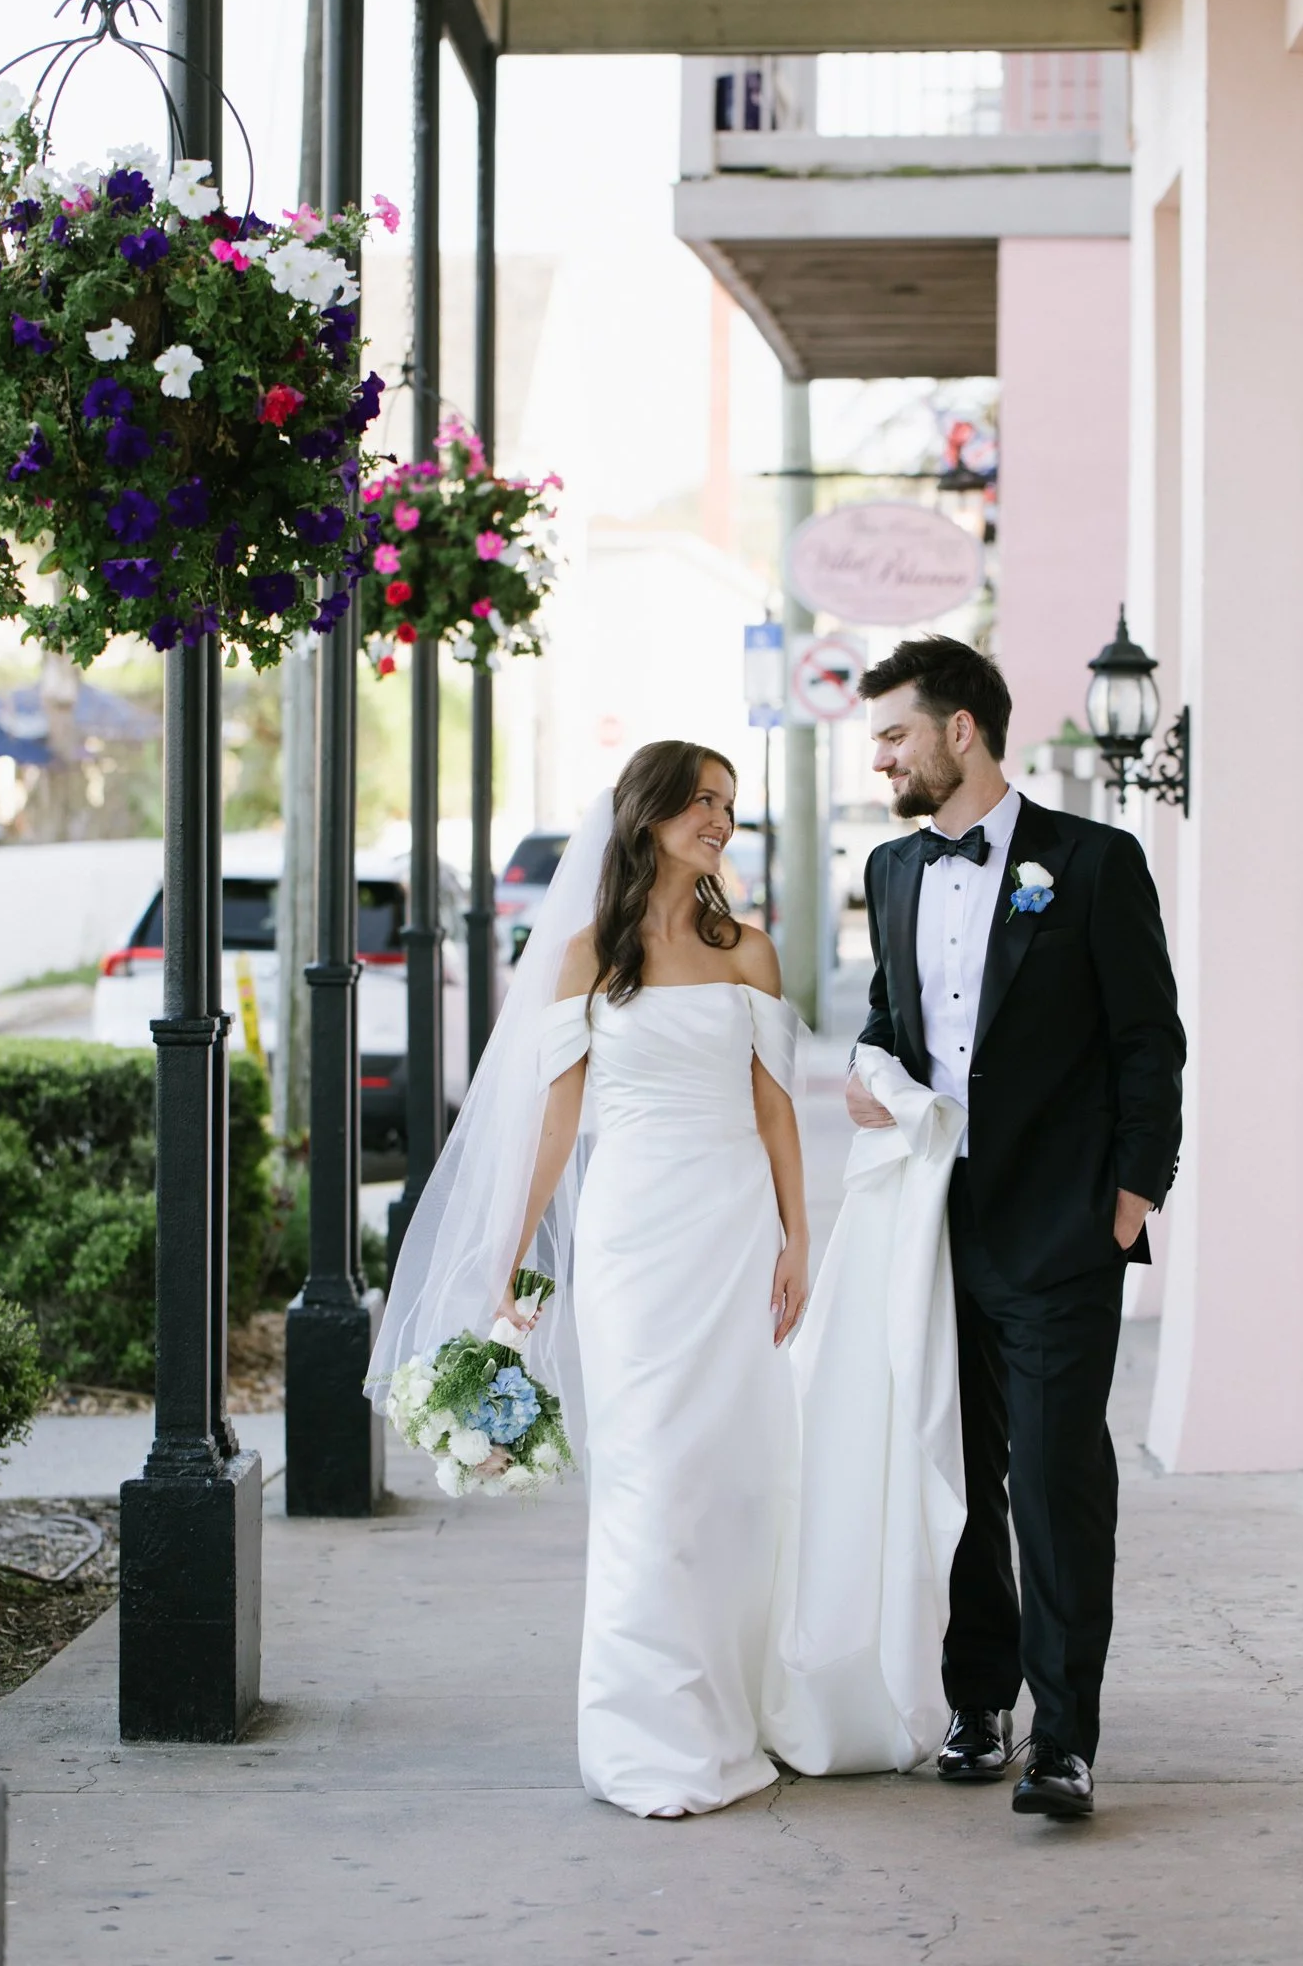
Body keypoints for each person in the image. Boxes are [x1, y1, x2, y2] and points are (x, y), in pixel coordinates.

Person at [371, 740, 809, 1820]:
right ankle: (643, 1738)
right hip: (630, 1241)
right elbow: (556, 1120)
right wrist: (509, 1250)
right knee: (647, 1475)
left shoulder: (747, 949)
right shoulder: (582, 956)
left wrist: (803, 1237)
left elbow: (775, 1108)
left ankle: (722, 1711)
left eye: (729, 804)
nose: (721, 819)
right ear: (649, 813)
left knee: (726, 1480)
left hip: (733, 1232)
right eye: (704, 800)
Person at [846, 635, 1184, 1819]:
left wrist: (1136, 1191)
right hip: (931, 1220)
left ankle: (1065, 1738)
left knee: (1052, 1476)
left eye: (893, 733)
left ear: (960, 731)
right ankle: (978, 1702)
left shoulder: (1093, 862)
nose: (879, 755)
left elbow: (1150, 1035)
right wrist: (870, 1072)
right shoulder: (890, 869)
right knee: (956, 1466)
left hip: (1061, 1224)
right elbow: (893, 1017)